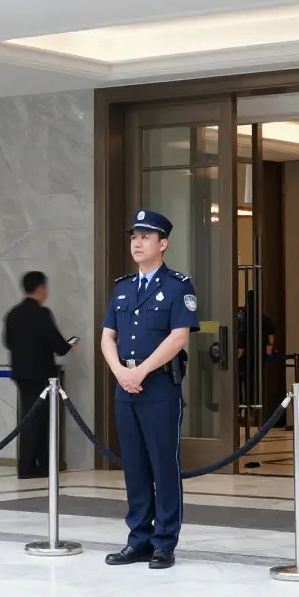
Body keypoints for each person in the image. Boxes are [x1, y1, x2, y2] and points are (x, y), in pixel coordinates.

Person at [100, 209, 199, 570]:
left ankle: (164, 542)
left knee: (162, 465)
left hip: (158, 387)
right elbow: (107, 335)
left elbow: (179, 337)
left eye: (145, 236)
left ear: (163, 243)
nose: (137, 242)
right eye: (134, 236)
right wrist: (119, 372)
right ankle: (138, 539)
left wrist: (140, 371)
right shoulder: (122, 287)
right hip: (126, 386)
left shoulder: (178, 285)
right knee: (135, 467)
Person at [3, 271, 74, 479]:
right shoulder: (41, 314)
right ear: (41, 288)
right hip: (41, 374)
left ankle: (27, 464)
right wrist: (68, 346)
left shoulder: (13, 313)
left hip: (21, 373)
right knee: (40, 420)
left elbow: (8, 342)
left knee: (28, 418)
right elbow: (57, 344)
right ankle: (39, 465)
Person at [236, 289, 277, 423]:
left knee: (239, 384)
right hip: (257, 356)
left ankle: (240, 410)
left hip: (242, 356)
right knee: (254, 384)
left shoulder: (241, 315)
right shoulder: (263, 317)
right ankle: (254, 413)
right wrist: (268, 348)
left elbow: (239, 334)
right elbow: (271, 337)